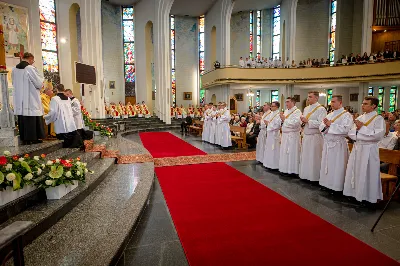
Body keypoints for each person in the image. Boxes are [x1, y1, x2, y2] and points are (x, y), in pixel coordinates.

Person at [343, 97, 385, 204]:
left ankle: (368, 198)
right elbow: (351, 133)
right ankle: (354, 194)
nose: (362, 105)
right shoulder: (361, 117)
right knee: (355, 170)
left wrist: (362, 129)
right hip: (358, 147)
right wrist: (359, 132)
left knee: (367, 172)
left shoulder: (378, 119)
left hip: (369, 149)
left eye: (366, 104)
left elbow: (377, 135)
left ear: (373, 106)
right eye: (363, 103)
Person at [319, 95, 353, 192]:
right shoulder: (330, 114)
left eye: (334, 102)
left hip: (338, 144)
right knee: (327, 164)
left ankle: (336, 187)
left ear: (340, 102)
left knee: (337, 165)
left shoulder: (346, 115)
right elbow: (321, 126)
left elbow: (346, 129)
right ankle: (326, 183)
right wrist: (326, 127)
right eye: (331, 102)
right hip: (328, 143)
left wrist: (331, 125)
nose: (331, 104)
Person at [12, 52, 45, 145]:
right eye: (33, 61)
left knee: (22, 117)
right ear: (30, 59)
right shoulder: (30, 68)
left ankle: (25, 138)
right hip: (31, 97)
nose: (32, 62)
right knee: (32, 115)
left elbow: (14, 82)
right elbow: (38, 83)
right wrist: (42, 83)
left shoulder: (14, 69)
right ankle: (33, 138)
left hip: (19, 98)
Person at [299, 91, 327, 182]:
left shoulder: (321, 109)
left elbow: (321, 124)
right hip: (306, 136)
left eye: (310, 97)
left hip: (315, 137)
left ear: (316, 98)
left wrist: (308, 121)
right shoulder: (306, 108)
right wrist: (302, 121)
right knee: (306, 156)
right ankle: (305, 175)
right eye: (308, 97)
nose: (308, 98)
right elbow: (304, 120)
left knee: (314, 158)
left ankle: (314, 177)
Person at [279, 97, 302, 175]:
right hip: (285, 135)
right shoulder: (286, 111)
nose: (286, 104)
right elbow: (283, 122)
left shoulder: (297, 111)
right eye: (286, 102)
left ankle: (292, 170)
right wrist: (282, 120)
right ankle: (285, 169)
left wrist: (284, 120)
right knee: (285, 152)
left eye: (288, 102)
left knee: (292, 152)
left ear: (293, 102)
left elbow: (295, 123)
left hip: (292, 135)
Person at [262, 101, 281, 169]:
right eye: (271, 106)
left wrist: (268, 124)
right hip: (270, 133)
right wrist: (267, 123)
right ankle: (268, 164)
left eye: (273, 106)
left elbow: (278, 125)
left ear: (277, 107)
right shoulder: (271, 114)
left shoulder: (278, 115)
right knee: (269, 148)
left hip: (274, 134)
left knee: (274, 149)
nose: (271, 107)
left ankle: (274, 165)